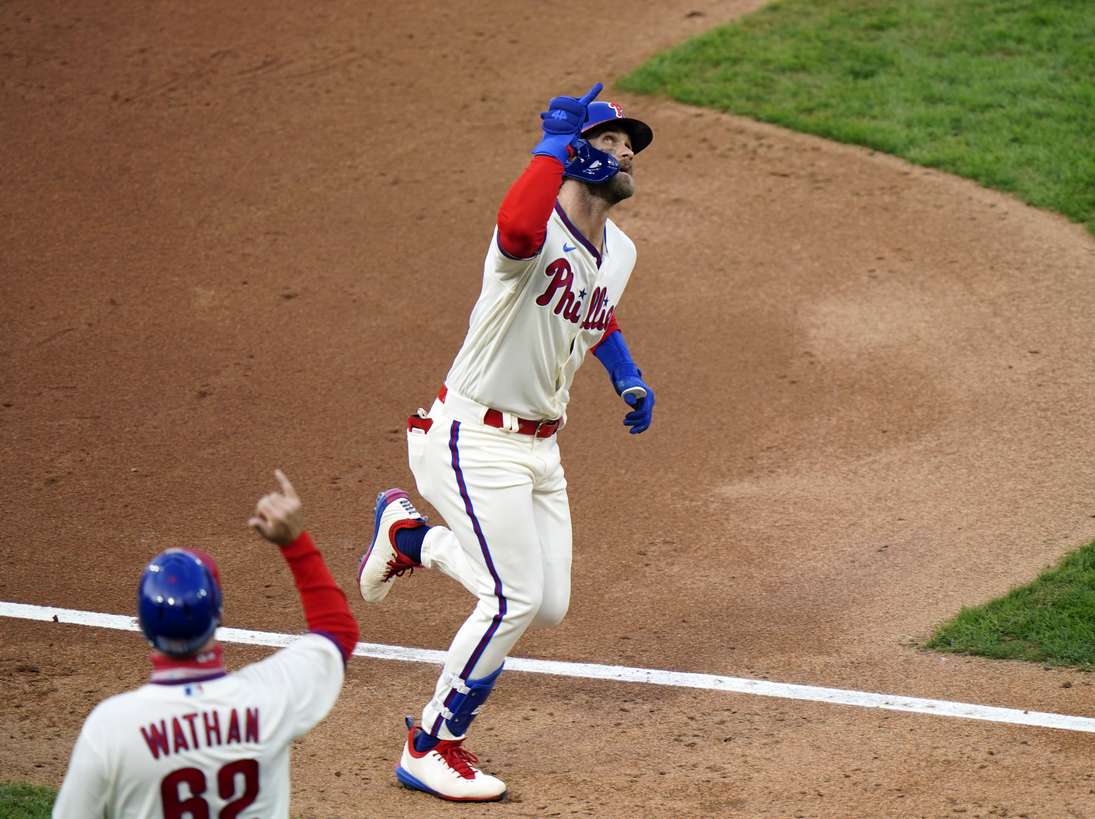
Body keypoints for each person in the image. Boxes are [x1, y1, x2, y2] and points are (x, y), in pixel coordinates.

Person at [355, 81, 655, 802]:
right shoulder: (529, 230)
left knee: (546, 602)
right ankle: (431, 742)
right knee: (510, 598)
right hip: (472, 436)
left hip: (539, 450)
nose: (626, 156)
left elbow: (597, 314)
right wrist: (549, 145)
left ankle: (411, 540)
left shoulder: (621, 252)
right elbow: (519, 231)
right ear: (578, 154)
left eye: (630, 147)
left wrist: (626, 375)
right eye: (610, 142)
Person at [53, 470, 359, 818]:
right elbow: (337, 631)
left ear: (143, 626)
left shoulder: (112, 728)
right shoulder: (269, 700)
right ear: (220, 614)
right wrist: (295, 543)